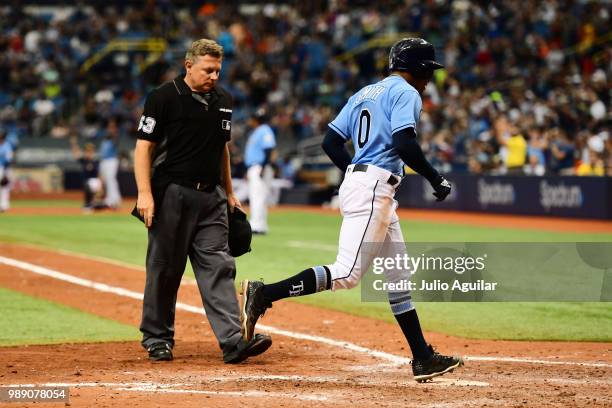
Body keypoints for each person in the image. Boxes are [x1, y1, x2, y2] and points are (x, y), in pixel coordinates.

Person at [241, 38, 463, 382]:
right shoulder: (407, 92)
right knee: (346, 274)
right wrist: (436, 179)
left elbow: (331, 141)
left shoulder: (363, 93)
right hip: (376, 186)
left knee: (397, 274)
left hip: (368, 185)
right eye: (428, 71)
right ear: (416, 68)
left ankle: (422, 357)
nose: (429, 79)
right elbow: (405, 142)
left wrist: (354, 171)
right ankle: (265, 294)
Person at [134, 39, 271, 363]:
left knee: (219, 266)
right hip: (172, 194)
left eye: (217, 70)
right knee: (165, 268)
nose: (213, 76)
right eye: (208, 69)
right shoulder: (163, 97)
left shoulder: (224, 100)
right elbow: (144, 148)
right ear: (189, 66)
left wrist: (230, 191)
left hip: (212, 197)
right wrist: (144, 193)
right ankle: (157, 338)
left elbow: (222, 148)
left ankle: (233, 340)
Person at [244, 107, 276, 234]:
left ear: (256, 120)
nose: (250, 121)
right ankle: (260, 225)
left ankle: (256, 225)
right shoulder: (257, 131)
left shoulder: (264, 130)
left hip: (260, 167)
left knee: (257, 196)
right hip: (256, 167)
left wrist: (263, 167)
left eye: (252, 119)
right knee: (259, 196)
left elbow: (269, 149)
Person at [70, 136, 104, 212]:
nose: (89, 152)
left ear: (93, 151)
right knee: (86, 184)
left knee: (87, 185)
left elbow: (100, 174)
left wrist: (101, 187)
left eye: (90, 150)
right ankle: (91, 204)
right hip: (88, 182)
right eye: (87, 150)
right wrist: (74, 143)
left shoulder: (96, 161)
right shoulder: (84, 160)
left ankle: (89, 205)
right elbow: (76, 154)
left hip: (95, 182)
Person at [99, 120, 122, 209]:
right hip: (104, 161)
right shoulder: (105, 138)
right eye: (109, 127)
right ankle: (110, 198)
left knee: (111, 179)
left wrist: (114, 132)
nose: (110, 129)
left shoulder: (114, 137)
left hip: (111, 160)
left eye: (112, 127)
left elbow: (116, 141)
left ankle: (115, 199)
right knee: (106, 181)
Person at [0, 129, 14, 212]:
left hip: (4, 168)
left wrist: (5, 172)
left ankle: (4, 205)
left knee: (5, 187)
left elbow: (9, 159)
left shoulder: (7, 145)